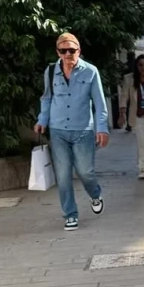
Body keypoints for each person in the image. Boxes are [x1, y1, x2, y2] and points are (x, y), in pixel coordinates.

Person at [34, 33, 108, 231]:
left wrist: (102, 128)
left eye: (72, 50)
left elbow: (100, 103)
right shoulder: (51, 71)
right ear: (58, 52)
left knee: (85, 172)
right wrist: (42, 120)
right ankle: (70, 215)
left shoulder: (90, 71)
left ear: (79, 51)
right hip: (58, 130)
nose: (68, 54)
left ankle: (95, 194)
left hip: (83, 130)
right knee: (63, 175)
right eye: (63, 51)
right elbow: (47, 98)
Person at [118, 55, 144, 179]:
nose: (143, 68)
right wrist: (122, 114)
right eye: (140, 65)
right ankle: (143, 168)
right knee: (142, 141)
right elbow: (124, 96)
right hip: (137, 114)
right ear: (136, 66)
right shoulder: (129, 79)